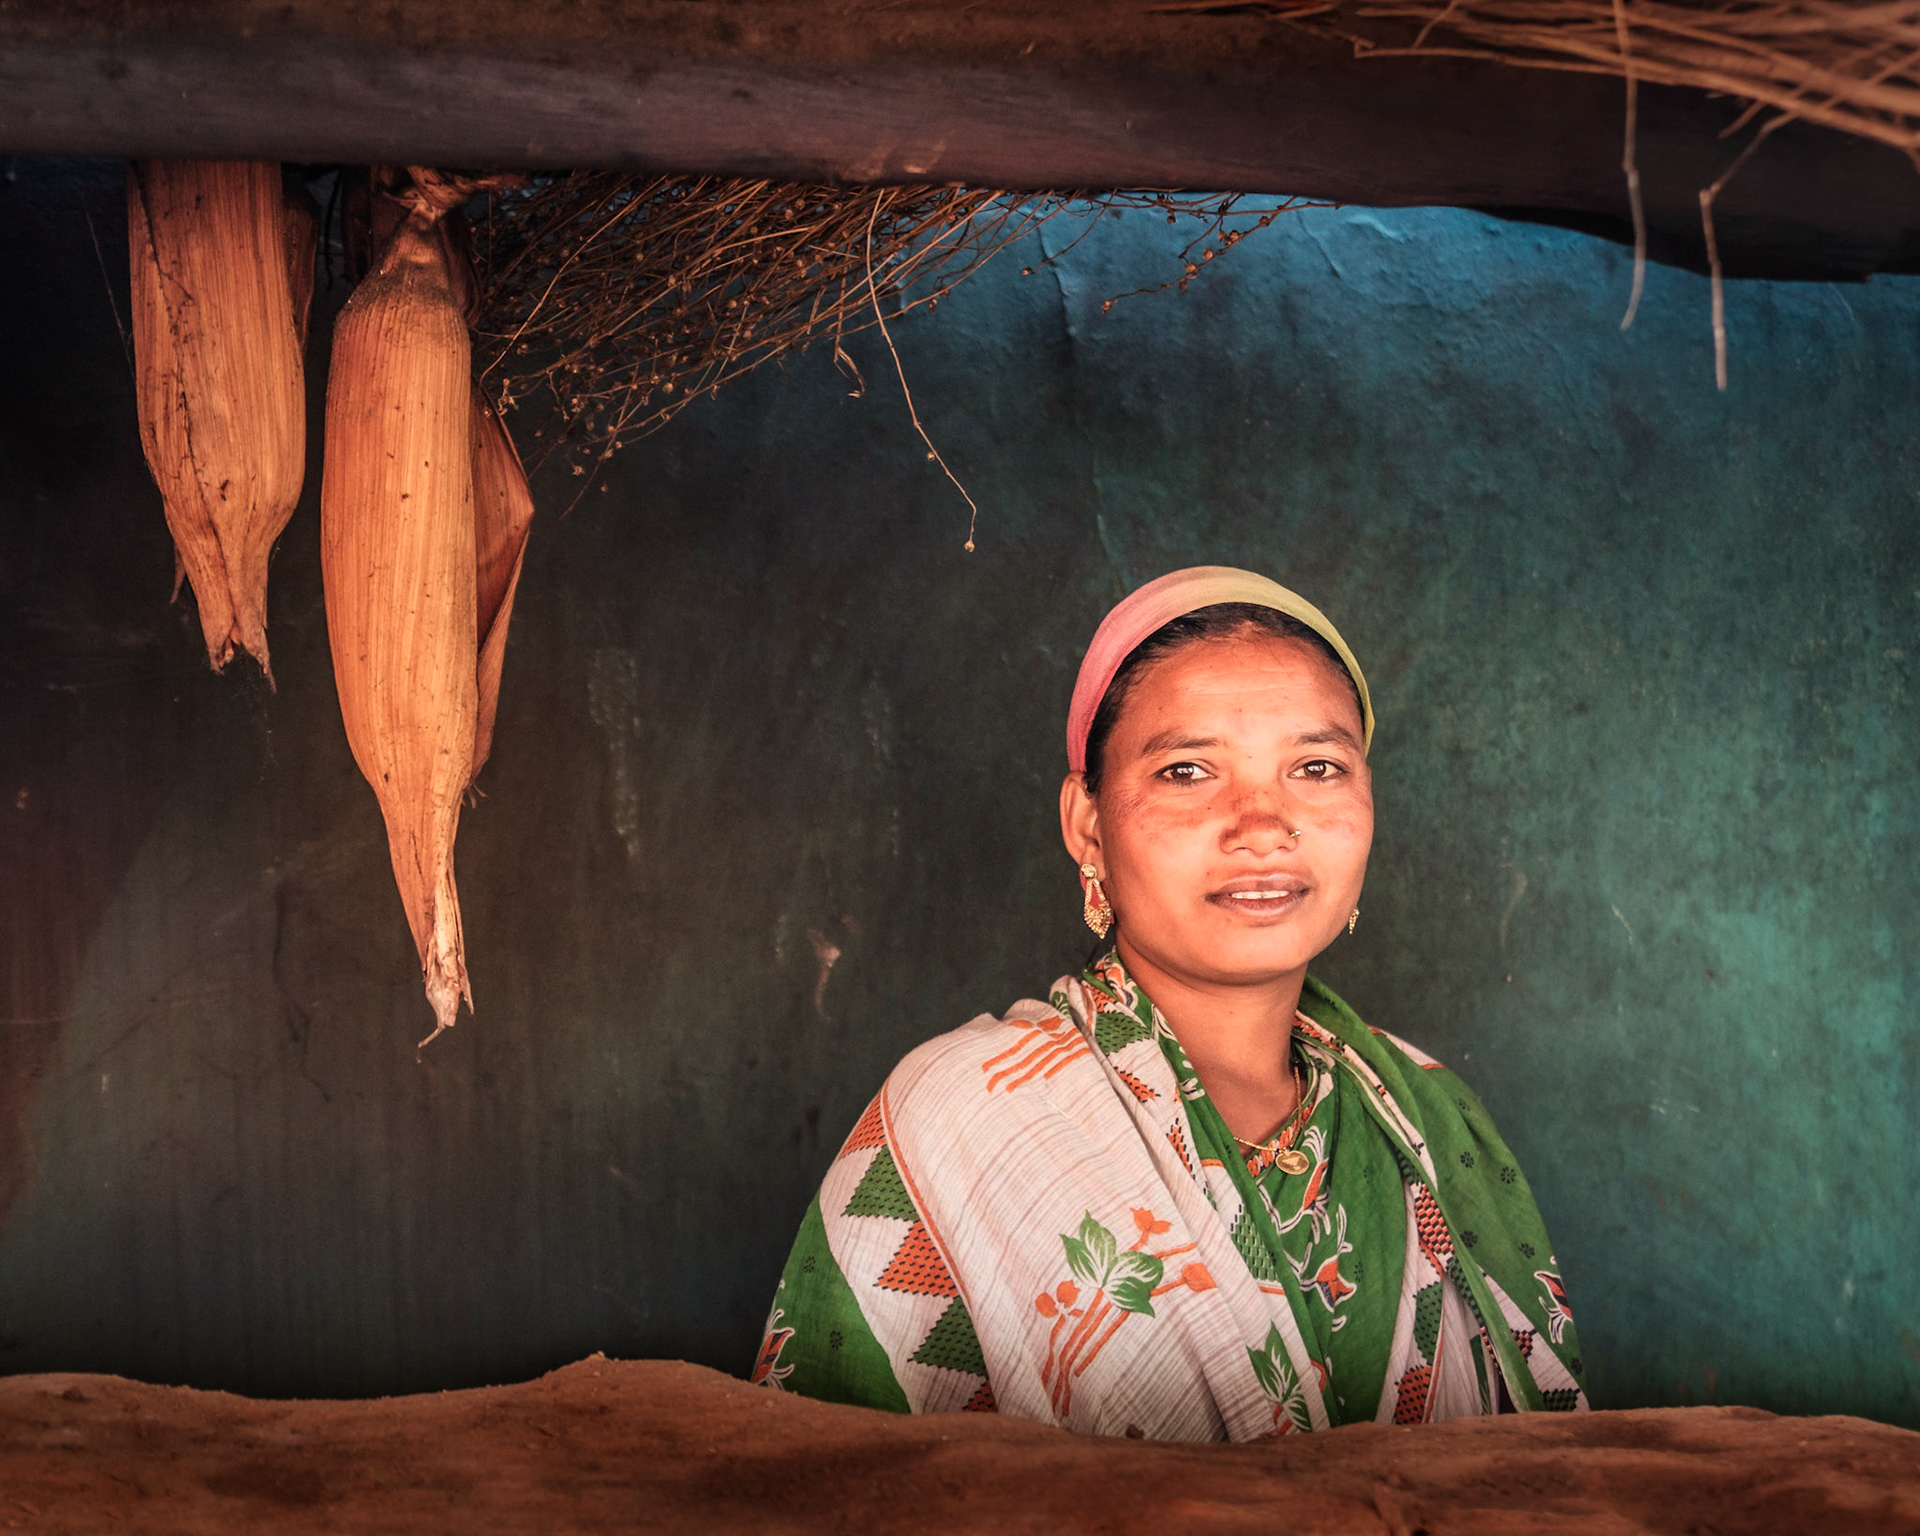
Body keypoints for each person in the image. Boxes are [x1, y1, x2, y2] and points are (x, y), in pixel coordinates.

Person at [752, 567, 1586, 1439]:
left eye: (1316, 766)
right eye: (1188, 771)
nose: (1262, 823)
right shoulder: (961, 1122)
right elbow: (819, 1487)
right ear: (1087, 825)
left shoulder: (1430, 1114)